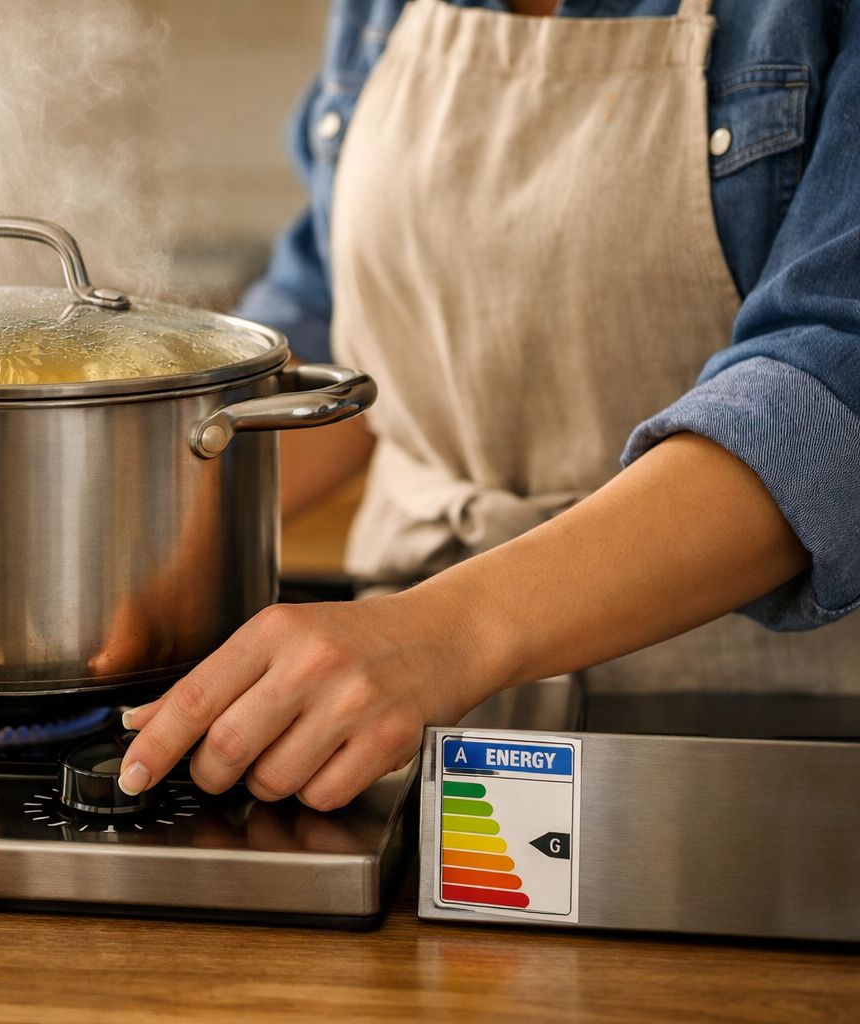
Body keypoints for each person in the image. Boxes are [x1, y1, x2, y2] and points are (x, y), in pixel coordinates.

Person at [117, 0, 860, 811]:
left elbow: (828, 390)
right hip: (400, 712)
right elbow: (339, 325)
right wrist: (121, 555)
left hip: (742, 723)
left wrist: (446, 634)